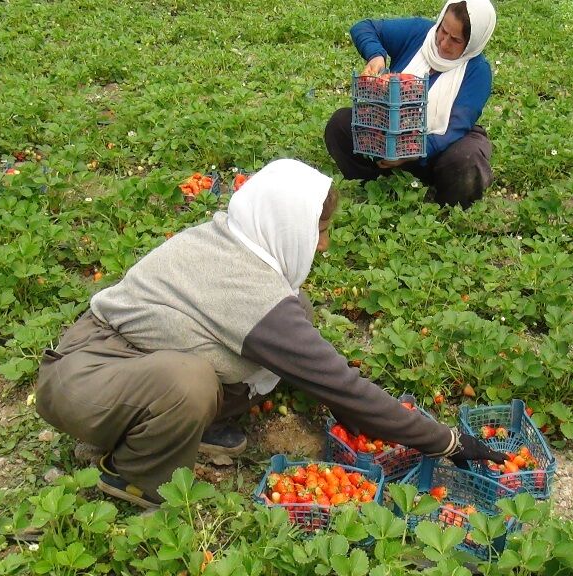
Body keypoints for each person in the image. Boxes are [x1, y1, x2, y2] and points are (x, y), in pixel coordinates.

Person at [34, 158, 505, 508]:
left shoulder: (237, 237)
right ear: (285, 223)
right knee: (188, 382)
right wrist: (445, 440)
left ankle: (184, 426)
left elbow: (318, 368)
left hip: (134, 369)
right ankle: (132, 475)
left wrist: (365, 414)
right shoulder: (248, 289)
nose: (323, 243)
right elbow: (336, 381)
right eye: (318, 229)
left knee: (292, 318)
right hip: (83, 379)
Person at [324, 0, 497, 208]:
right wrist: (376, 56)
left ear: (472, 44)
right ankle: (377, 184)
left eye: (455, 40)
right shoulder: (420, 33)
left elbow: (454, 129)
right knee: (341, 124)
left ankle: (441, 200)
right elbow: (364, 27)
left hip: (436, 145)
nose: (443, 43)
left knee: (466, 159)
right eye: (443, 30)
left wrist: (411, 151)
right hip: (390, 128)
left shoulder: (478, 71)